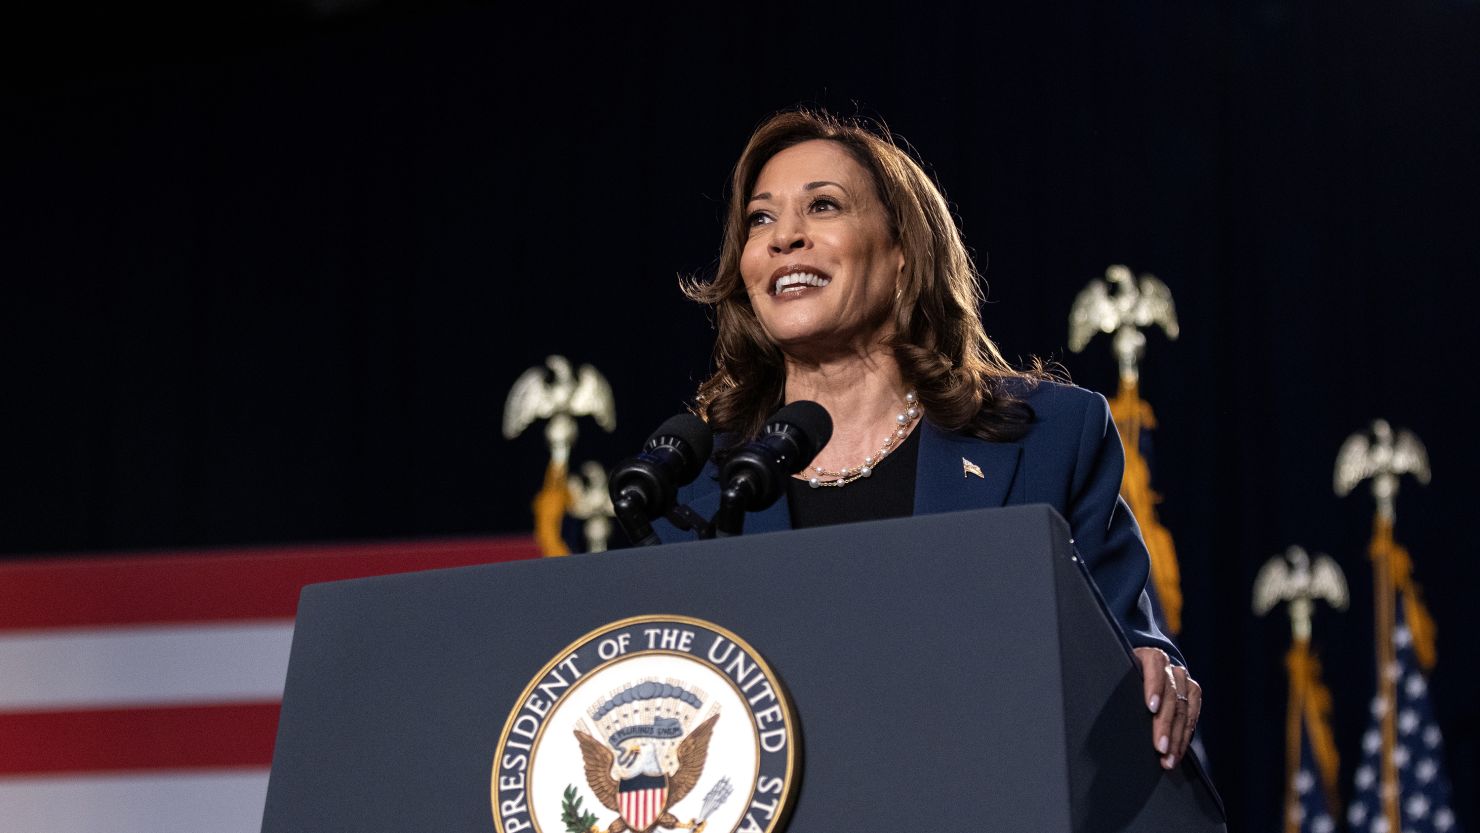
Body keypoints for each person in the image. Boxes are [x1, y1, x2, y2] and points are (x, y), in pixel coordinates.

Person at [656, 108, 1201, 771]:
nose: (783, 238)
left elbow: (1121, 648)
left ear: (903, 253)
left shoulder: (1049, 439)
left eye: (822, 206)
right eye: (760, 219)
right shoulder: (694, 487)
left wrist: (1153, 671)